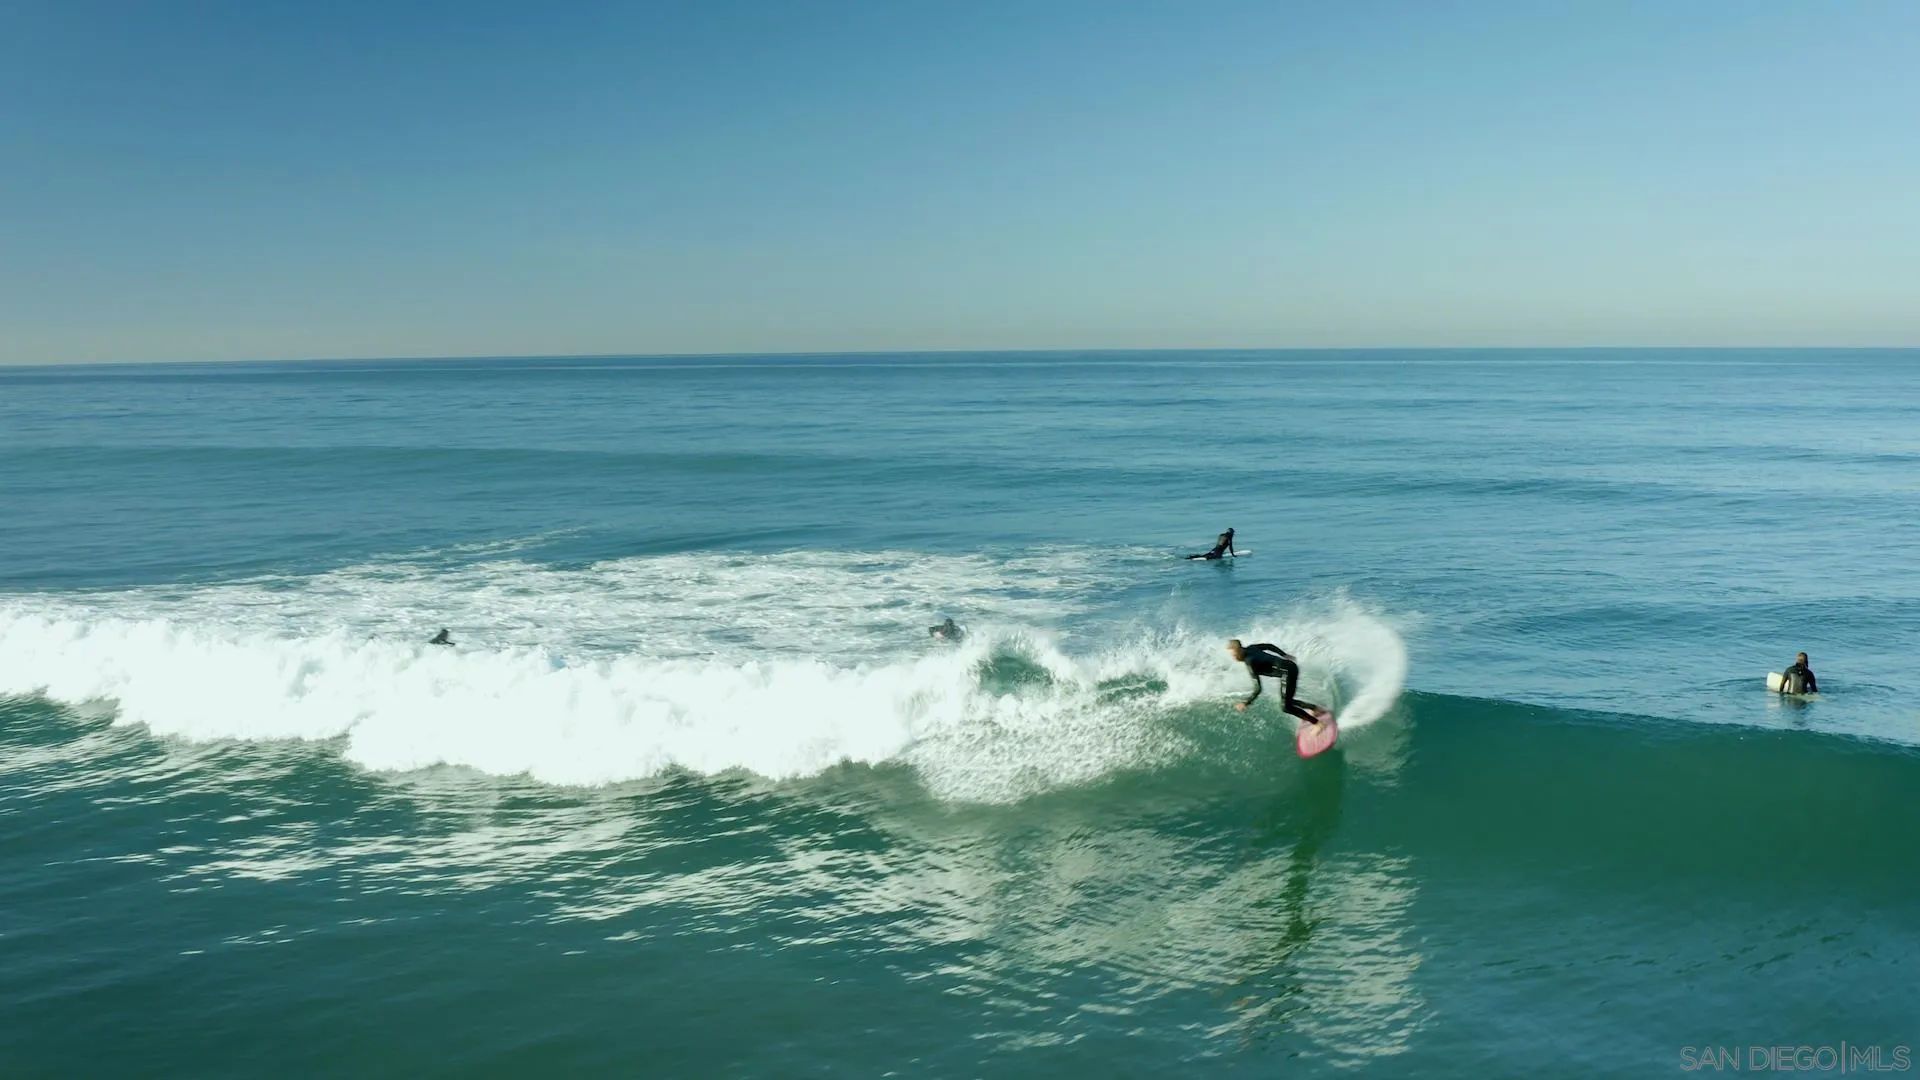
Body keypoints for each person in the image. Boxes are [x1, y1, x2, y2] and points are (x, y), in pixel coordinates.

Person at [1228, 638, 1326, 726]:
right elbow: (1269, 646)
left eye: (1234, 655)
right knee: (1288, 701)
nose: (1234, 658)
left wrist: (1246, 702)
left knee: (1286, 707)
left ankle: (1318, 724)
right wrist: (1284, 655)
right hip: (1290, 667)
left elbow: (1258, 688)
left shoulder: (1250, 662)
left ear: (1240, 650)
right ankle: (1315, 708)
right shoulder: (1251, 648)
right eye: (1232, 655)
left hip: (1287, 672)